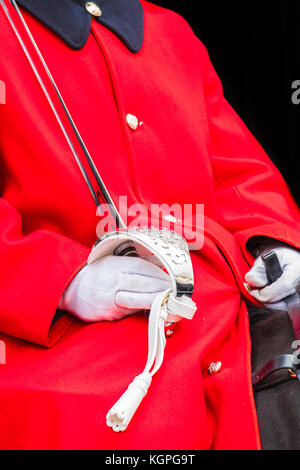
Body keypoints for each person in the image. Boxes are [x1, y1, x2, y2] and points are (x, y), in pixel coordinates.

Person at [1, 0, 300, 450]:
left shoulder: (169, 29)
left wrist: (275, 242)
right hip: (59, 341)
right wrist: (63, 281)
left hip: (221, 306)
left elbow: (237, 173)